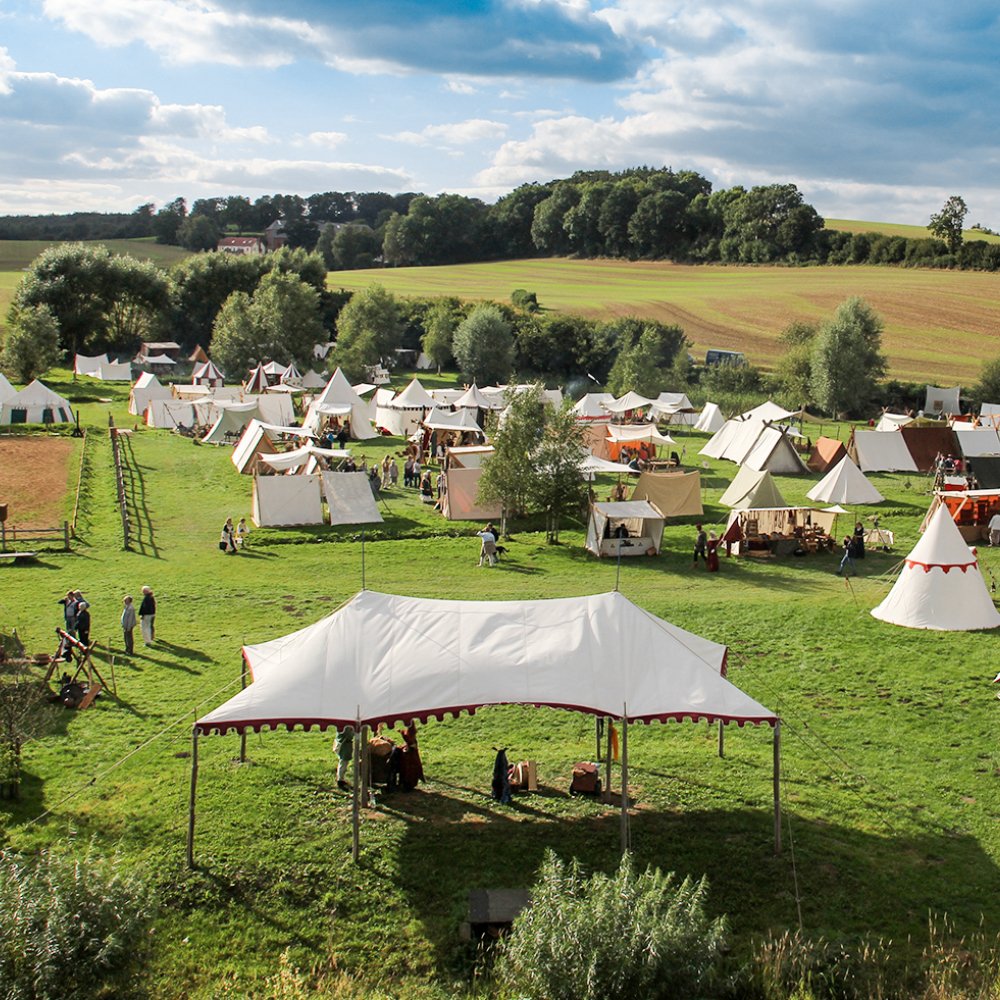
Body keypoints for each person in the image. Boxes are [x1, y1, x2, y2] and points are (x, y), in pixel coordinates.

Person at [334, 725, 355, 790]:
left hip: (344, 744)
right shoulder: (346, 726)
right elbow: (349, 735)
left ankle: (340, 778)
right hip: (345, 745)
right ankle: (340, 780)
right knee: (343, 762)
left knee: (343, 762)